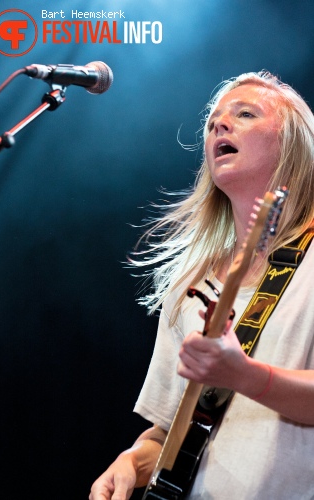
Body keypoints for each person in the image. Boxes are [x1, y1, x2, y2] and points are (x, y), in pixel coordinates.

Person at [89, 71, 314, 499]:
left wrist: (246, 376)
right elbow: (172, 432)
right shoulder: (190, 285)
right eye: (212, 123)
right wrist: (133, 460)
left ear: (295, 145)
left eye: (245, 114)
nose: (219, 126)